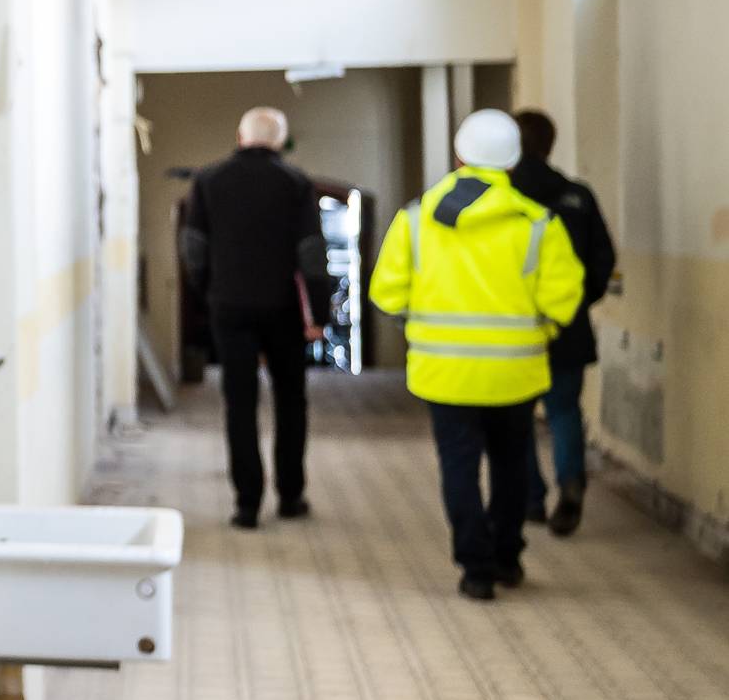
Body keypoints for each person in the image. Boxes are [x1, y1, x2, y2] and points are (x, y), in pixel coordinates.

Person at [368, 110, 585, 601]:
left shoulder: (416, 218)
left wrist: (421, 320)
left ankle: (475, 569)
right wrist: (540, 329)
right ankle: (507, 557)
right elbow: (563, 299)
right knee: (511, 464)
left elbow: (386, 295)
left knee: (459, 467)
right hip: (515, 372)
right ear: (512, 163)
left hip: (443, 372)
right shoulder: (537, 224)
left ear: (459, 155)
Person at [182, 107, 334, 530]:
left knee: (240, 403)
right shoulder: (296, 183)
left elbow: (193, 246)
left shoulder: (208, 180)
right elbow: (310, 251)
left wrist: (209, 290)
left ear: (239, 135)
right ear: (281, 143)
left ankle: (246, 504)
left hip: (229, 306)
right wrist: (318, 313)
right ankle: (290, 496)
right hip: (283, 308)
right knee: (290, 401)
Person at [509, 110, 618, 536]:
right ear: (551, 144)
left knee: (516, 416)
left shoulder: (505, 200)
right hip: (568, 325)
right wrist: (574, 302)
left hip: (514, 328)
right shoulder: (578, 196)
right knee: (564, 412)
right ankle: (570, 484)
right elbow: (602, 260)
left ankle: (531, 498)